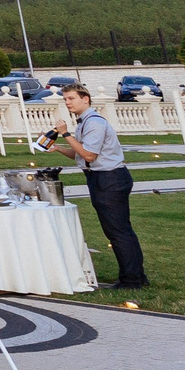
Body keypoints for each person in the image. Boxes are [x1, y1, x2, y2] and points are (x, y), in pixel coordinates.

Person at [44, 84, 146, 289]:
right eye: (65, 99)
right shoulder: (85, 122)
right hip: (100, 177)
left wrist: (66, 134)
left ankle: (132, 279)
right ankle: (134, 276)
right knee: (118, 230)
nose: (67, 103)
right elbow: (80, 154)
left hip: (109, 178)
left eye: (71, 98)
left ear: (85, 99)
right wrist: (58, 148)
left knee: (118, 231)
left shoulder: (95, 123)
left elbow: (89, 155)